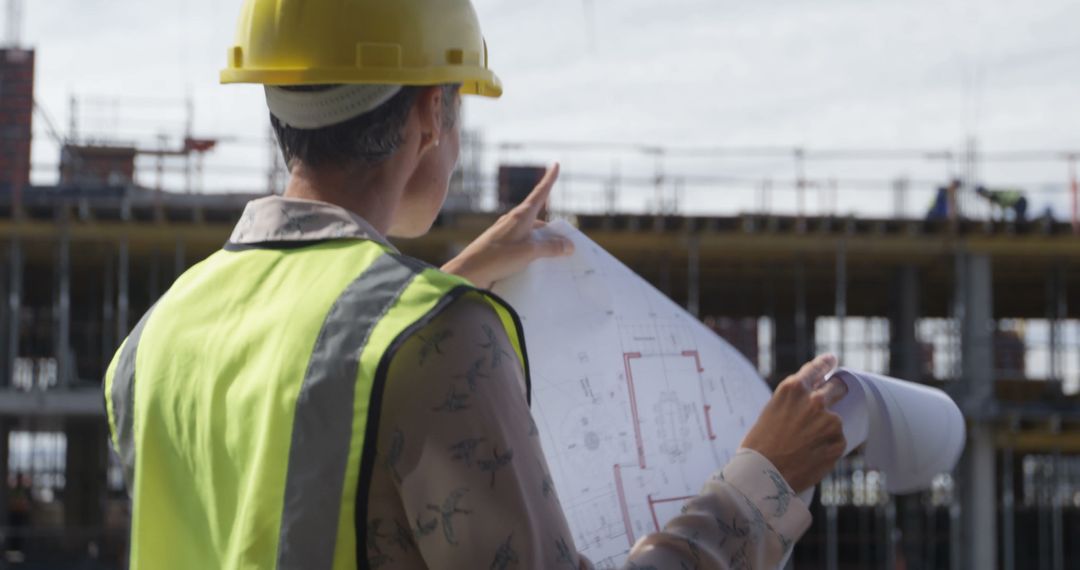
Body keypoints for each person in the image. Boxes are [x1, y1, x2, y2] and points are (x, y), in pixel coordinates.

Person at [103, 0, 847, 568]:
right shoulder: (437, 340)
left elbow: (311, 421)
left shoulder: (152, 342)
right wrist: (763, 485)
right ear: (431, 112)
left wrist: (438, 285)